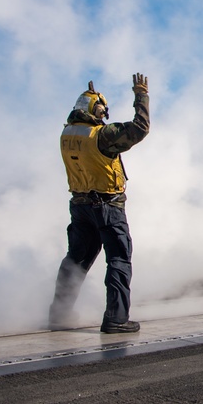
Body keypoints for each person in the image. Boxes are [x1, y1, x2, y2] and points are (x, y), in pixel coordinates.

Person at [48, 75, 150, 333]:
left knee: (76, 259)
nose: (104, 114)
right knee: (118, 259)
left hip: (80, 206)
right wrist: (141, 96)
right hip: (108, 206)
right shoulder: (102, 135)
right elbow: (140, 128)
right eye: (102, 110)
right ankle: (116, 318)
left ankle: (59, 315)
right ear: (94, 109)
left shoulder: (67, 134)